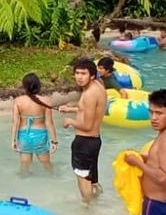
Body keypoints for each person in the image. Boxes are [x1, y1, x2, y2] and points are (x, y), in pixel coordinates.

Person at [59, 59, 106, 205]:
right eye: (77, 73)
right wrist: (72, 109)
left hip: (84, 142)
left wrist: (69, 121)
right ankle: (98, 204)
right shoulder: (99, 87)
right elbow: (91, 109)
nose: (79, 77)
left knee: (83, 180)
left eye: (83, 73)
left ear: (92, 75)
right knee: (92, 179)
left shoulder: (89, 94)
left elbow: (86, 125)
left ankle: (87, 210)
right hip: (94, 141)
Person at [10, 73, 57, 174]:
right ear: (39, 85)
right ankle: (54, 179)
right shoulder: (46, 101)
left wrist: (13, 140)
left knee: (25, 165)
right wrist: (54, 141)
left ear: (24, 86)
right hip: (40, 135)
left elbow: (15, 122)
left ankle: (24, 183)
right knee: (46, 163)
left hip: (24, 135)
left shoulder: (18, 101)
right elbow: (49, 123)